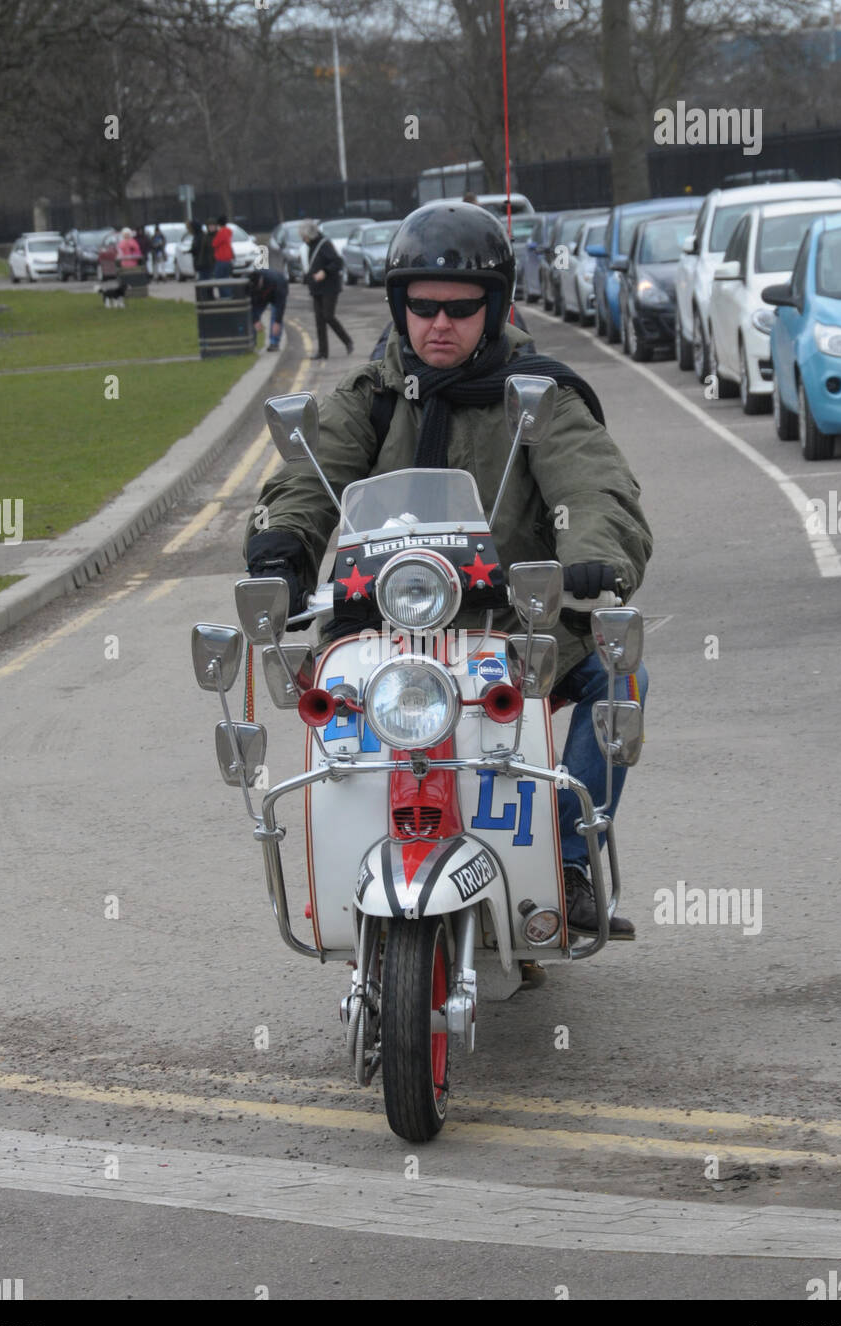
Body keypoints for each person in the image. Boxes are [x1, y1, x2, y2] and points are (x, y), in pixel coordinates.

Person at [245, 202, 652, 970]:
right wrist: (281, 547)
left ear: (493, 308)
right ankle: (351, 873)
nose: (439, 324)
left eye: (461, 309)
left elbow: (593, 480)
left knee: (619, 672)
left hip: (515, 627)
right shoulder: (370, 394)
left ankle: (566, 862)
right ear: (400, 307)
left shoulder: (536, 394)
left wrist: (594, 552)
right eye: (422, 306)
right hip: (379, 626)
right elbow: (311, 472)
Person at [301, 218, 353, 360]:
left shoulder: (324, 244)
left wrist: (325, 271)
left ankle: (347, 341)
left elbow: (337, 261)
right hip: (317, 288)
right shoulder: (311, 245)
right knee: (319, 320)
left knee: (328, 316)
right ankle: (323, 352)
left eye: (303, 236)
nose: (302, 239)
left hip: (329, 288)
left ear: (309, 234)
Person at [249, 266, 288, 352]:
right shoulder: (250, 283)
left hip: (276, 295)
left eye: (258, 286)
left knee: (276, 315)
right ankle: (252, 344)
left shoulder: (277, 280)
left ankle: (274, 342)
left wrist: (277, 322)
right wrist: (255, 320)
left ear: (261, 280)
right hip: (260, 299)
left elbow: (280, 304)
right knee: (252, 315)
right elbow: (251, 304)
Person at [212, 216, 234, 297]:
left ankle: (226, 296)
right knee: (226, 278)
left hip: (221, 259)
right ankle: (228, 295)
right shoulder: (228, 231)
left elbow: (214, 243)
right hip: (228, 259)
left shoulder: (221, 232)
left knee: (220, 280)